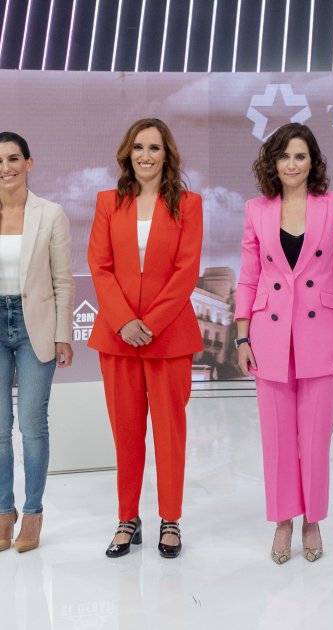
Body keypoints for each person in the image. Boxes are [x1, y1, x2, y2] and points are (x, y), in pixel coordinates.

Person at [235, 123, 333, 564]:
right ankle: (282, 520)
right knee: (276, 438)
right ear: (272, 162)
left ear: (313, 162)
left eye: (300, 156)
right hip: (269, 336)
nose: (292, 164)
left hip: (324, 335)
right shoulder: (256, 210)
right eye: (284, 156)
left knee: (315, 439)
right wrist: (241, 334)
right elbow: (249, 276)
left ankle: (312, 520)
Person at [88, 118, 203, 559]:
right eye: (138, 147)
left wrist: (150, 323)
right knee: (127, 433)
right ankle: (127, 519)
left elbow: (186, 271)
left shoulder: (188, 205)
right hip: (118, 337)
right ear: (127, 153)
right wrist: (123, 321)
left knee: (170, 434)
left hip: (168, 337)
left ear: (166, 154)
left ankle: (170, 519)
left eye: (154, 148)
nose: (146, 155)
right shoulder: (108, 202)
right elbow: (99, 266)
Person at [0, 132, 74, 553]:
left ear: (29, 163)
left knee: (31, 425)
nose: (5, 168)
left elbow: (63, 280)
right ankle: (2, 511)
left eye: (13, 158)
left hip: (36, 327)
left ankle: (32, 513)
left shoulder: (50, 213)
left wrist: (64, 334)